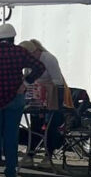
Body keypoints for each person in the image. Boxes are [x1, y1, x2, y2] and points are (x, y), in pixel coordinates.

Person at [0, 25, 45, 177]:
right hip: (15, 97)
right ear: (13, 37)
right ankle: (10, 173)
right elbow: (40, 67)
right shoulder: (19, 51)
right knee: (11, 135)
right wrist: (25, 83)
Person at [18, 39, 67, 168]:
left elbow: (57, 80)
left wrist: (44, 88)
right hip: (36, 95)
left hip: (52, 95)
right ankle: (30, 154)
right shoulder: (29, 62)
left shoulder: (49, 58)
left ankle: (48, 156)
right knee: (35, 125)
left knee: (50, 126)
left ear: (34, 52)